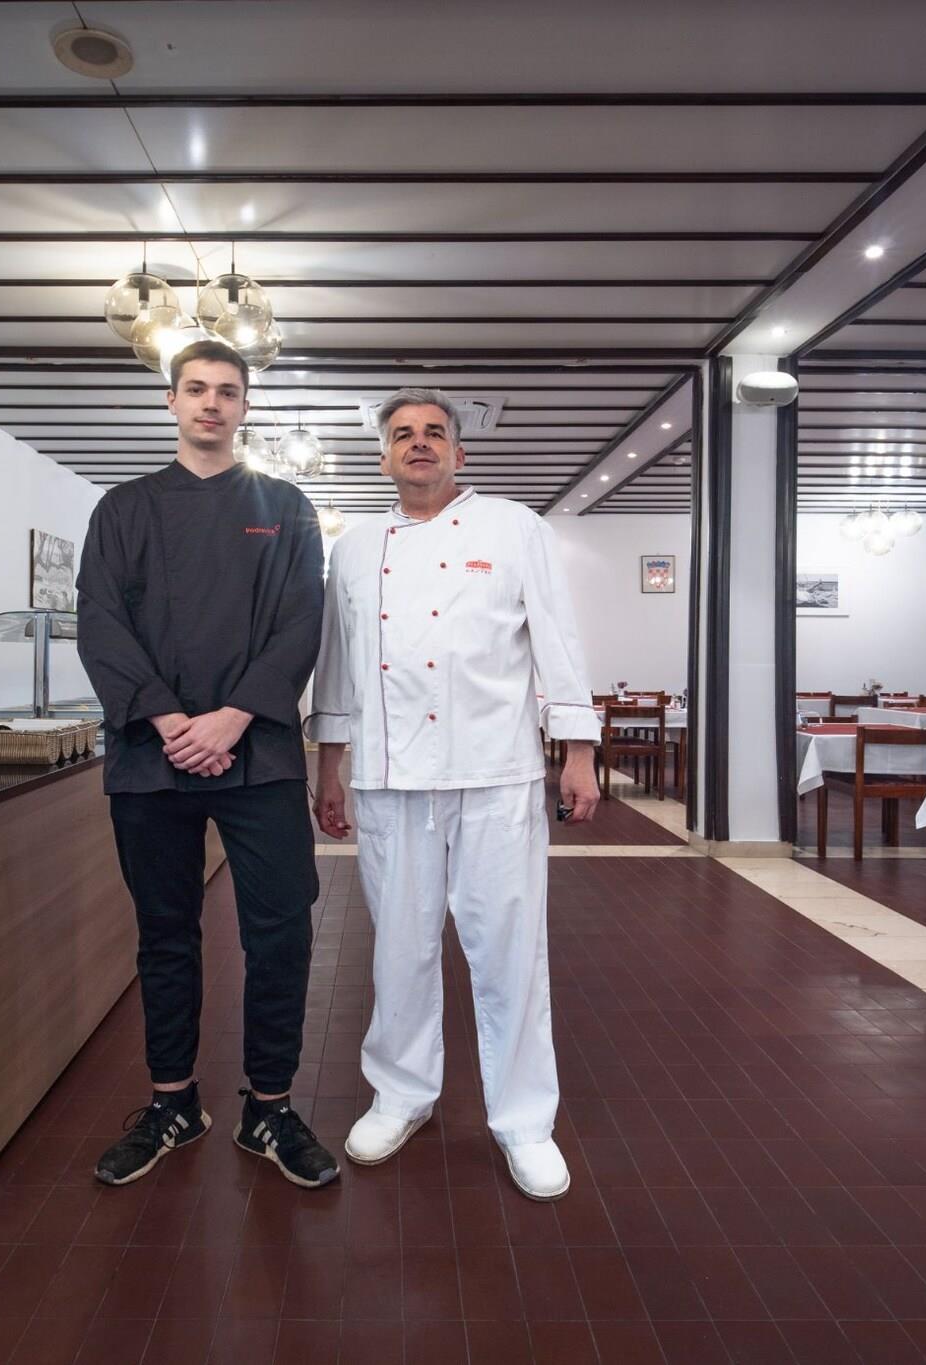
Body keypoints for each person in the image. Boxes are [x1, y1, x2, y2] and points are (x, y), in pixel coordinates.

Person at [308, 387, 601, 1201]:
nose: (420, 443)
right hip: (390, 776)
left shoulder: (514, 528)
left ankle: (524, 1120)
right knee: (399, 948)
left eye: (435, 432)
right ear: (383, 458)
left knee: (509, 950)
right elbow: (337, 662)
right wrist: (329, 764)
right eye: (403, 434)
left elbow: (557, 639)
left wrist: (579, 751)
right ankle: (400, 1093)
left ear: (460, 452)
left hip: (496, 773)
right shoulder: (355, 549)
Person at [76, 338, 339, 1190]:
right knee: (164, 933)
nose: (212, 403)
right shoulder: (123, 509)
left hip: (258, 751)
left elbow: (302, 622)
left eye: (228, 390)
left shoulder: (285, 505)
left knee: (282, 928)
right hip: (150, 757)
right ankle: (172, 1102)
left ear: (245, 406)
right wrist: (168, 717)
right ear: (172, 401)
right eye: (196, 389)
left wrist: (230, 718)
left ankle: (270, 1107)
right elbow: (100, 623)